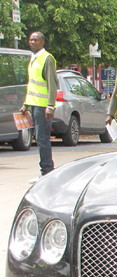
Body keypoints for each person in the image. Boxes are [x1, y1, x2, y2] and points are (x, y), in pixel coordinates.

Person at [20, 31, 58, 178]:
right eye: (30, 40)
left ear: (42, 41)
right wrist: (26, 104)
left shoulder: (47, 58)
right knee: (40, 138)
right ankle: (45, 170)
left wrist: (50, 105)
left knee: (42, 139)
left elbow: (52, 83)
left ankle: (47, 172)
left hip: (43, 106)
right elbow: (33, 85)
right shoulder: (33, 58)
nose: (32, 42)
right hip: (34, 104)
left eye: (35, 40)